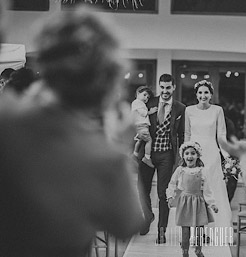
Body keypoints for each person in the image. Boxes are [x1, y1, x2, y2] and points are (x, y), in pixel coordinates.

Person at [0, 7, 146, 255]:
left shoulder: (6, 120)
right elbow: (128, 223)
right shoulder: (103, 158)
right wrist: (121, 148)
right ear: (106, 81)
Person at [140, 73, 188, 242]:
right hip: (147, 154)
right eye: (162, 87)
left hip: (167, 155)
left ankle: (162, 231)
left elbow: (182, 134)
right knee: (142, 189)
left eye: (168, 87)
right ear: (159, 87)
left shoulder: (180, 108)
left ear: (173, 87)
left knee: (162, 194)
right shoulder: (149, 103)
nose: (165, 91)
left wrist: (182, 157)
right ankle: (147, 217)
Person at [183, 80, 234, 230]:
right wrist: (185, 154)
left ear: (211, 94)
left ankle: (217, 227)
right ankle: (195, 227)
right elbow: (187, 133)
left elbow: (221, 135)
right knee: (194, 188)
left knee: (214, 188)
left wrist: (227, 156)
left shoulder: (218, 110)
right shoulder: (189, 110)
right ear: (196, 94)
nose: (203, 95)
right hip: (194, 154)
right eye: (200, 92)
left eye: (206, 92)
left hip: (212, 153)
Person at [167, 142, 220, 257]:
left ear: (197, 155)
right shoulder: (180, 170)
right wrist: (170, 196)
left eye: (192, 153)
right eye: (187, 153)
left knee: (199, 229)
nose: (189, 156)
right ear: (183, 156)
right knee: (185, 229)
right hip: (185, 202)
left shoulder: (202, 171)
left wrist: (212, 204)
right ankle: (185, 251)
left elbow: (207, 189)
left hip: (199, 202)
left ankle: (198, 250)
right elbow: (172, 183)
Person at [132, 85, 157, 166]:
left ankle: (135, 154)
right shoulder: (137, 102)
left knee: (140, 140)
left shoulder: (138, 103)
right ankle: (147, 157)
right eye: (144, 95)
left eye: (148, 97)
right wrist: (151, 111)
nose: (146, 98)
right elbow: (143, 113)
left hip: (139, 126)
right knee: (149, 140)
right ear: (138, 93)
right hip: (142, 125)